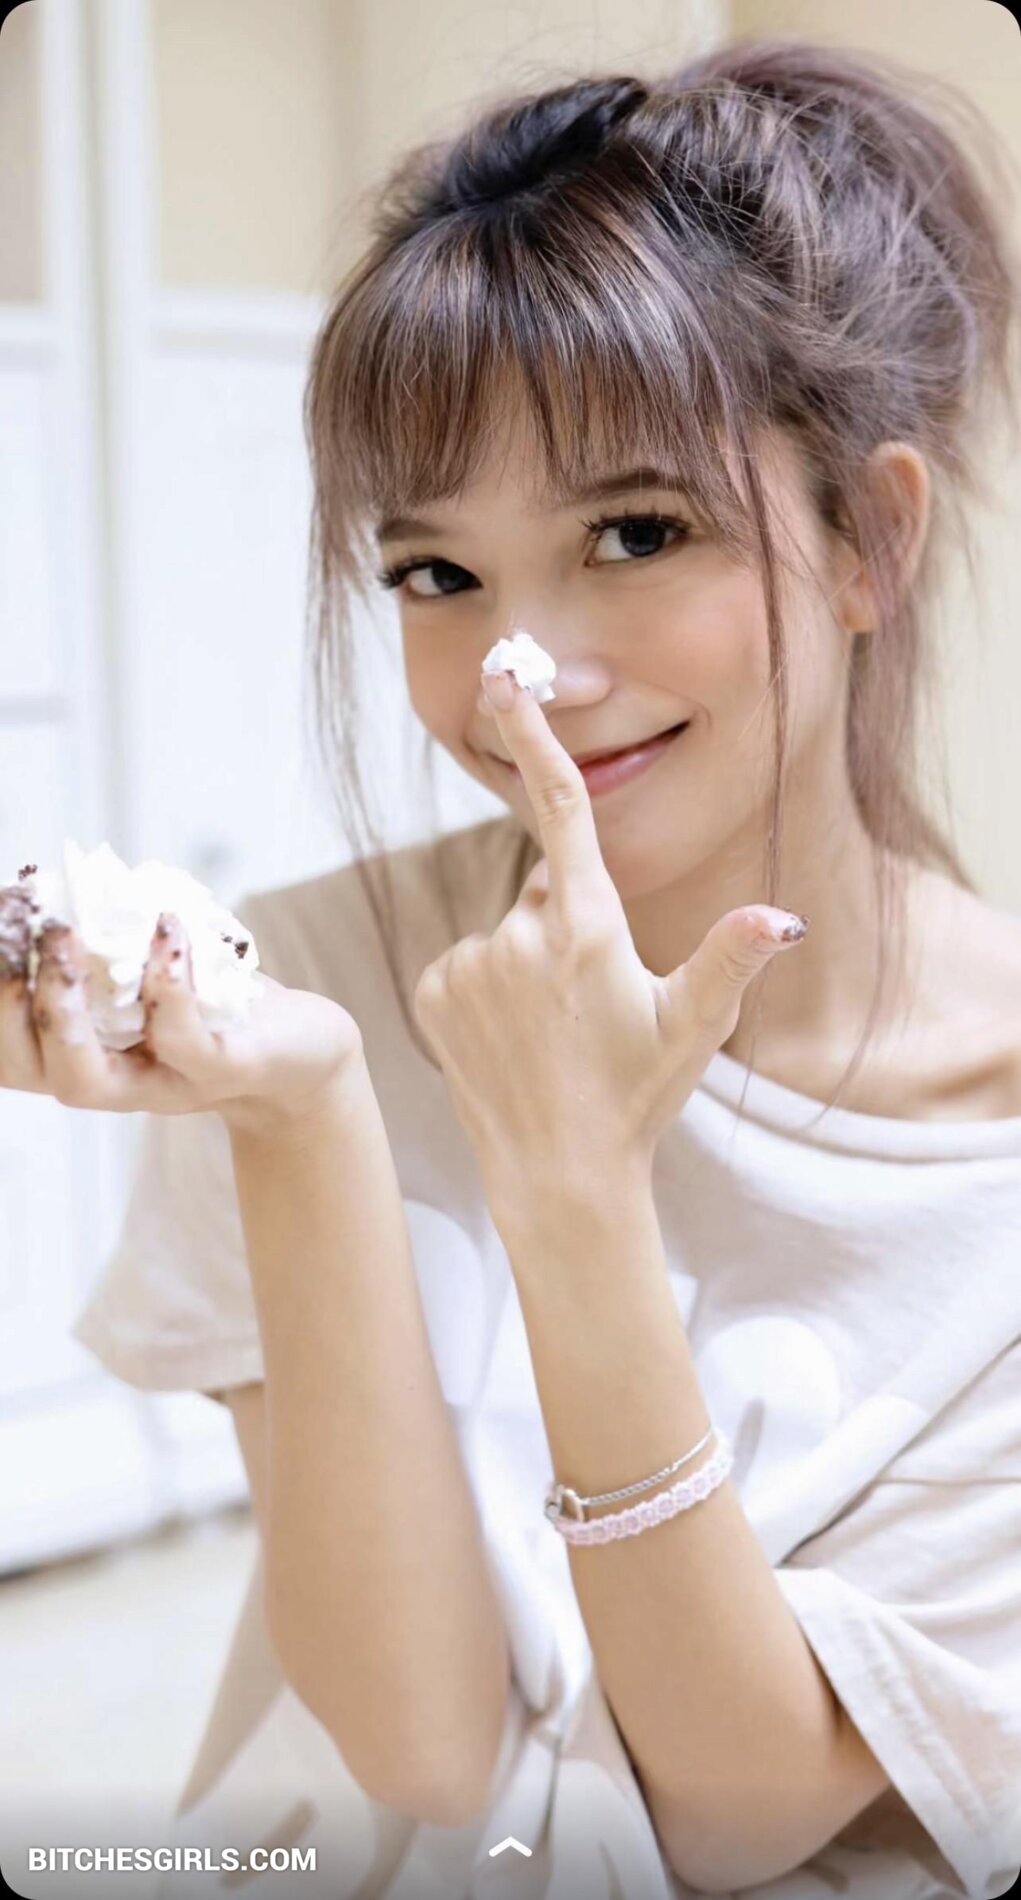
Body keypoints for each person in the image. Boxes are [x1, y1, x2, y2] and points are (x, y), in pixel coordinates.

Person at [7, 31, 1021, 1900]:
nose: (517, 674)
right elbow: (420, 1750)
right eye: (435, 574)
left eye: (635, 532)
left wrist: (572, 1179)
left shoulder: (991, 1147)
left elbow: (734, 1813)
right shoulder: (302, 989)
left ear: (868, 540)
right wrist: (303, 1114)